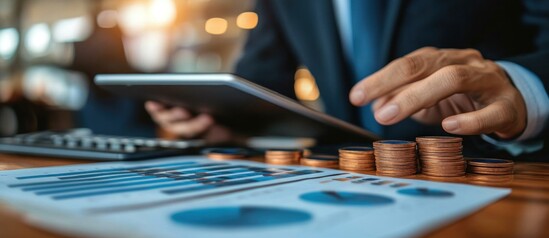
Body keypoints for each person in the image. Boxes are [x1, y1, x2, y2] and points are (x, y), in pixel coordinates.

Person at [146, 0, 549, 160]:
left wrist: (522, 86)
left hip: (496, 172)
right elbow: (263, 81)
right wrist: (221, 120)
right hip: (339, 180)